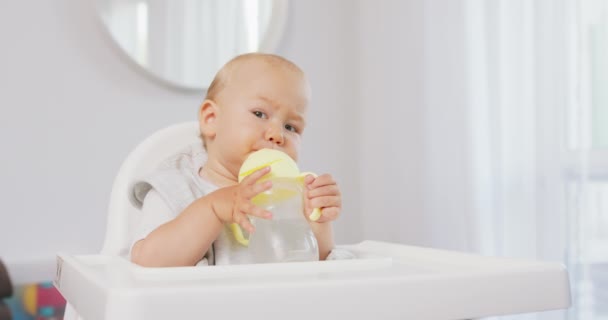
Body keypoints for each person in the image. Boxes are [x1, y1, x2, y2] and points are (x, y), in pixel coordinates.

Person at [129, 53, 342, 267]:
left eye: (291, 127)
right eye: (259, 114)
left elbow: (315, 267)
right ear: (211, 119)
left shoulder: (289, 194)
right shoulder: (175, 188)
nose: (277, 135)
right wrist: (211, 210)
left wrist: (318, 222)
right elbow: (147, 262)